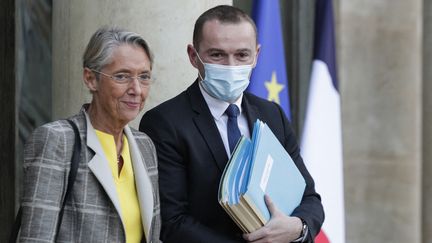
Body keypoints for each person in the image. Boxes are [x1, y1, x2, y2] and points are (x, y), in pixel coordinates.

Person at [140, 5, 324, 243]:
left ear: (256, 55)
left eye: (242, 55)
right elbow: (172, 221)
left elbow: (309, 198)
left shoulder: (272, 114)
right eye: (217, 54)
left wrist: (298, 228)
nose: (231, 66)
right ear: (193, 56)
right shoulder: (164, 123)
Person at [19, 27, 161, 243]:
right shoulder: (57, 140)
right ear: (90, 79)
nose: (137, 89)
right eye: (122, 76)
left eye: (144, 77)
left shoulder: (144, 146)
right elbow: (35, 238)